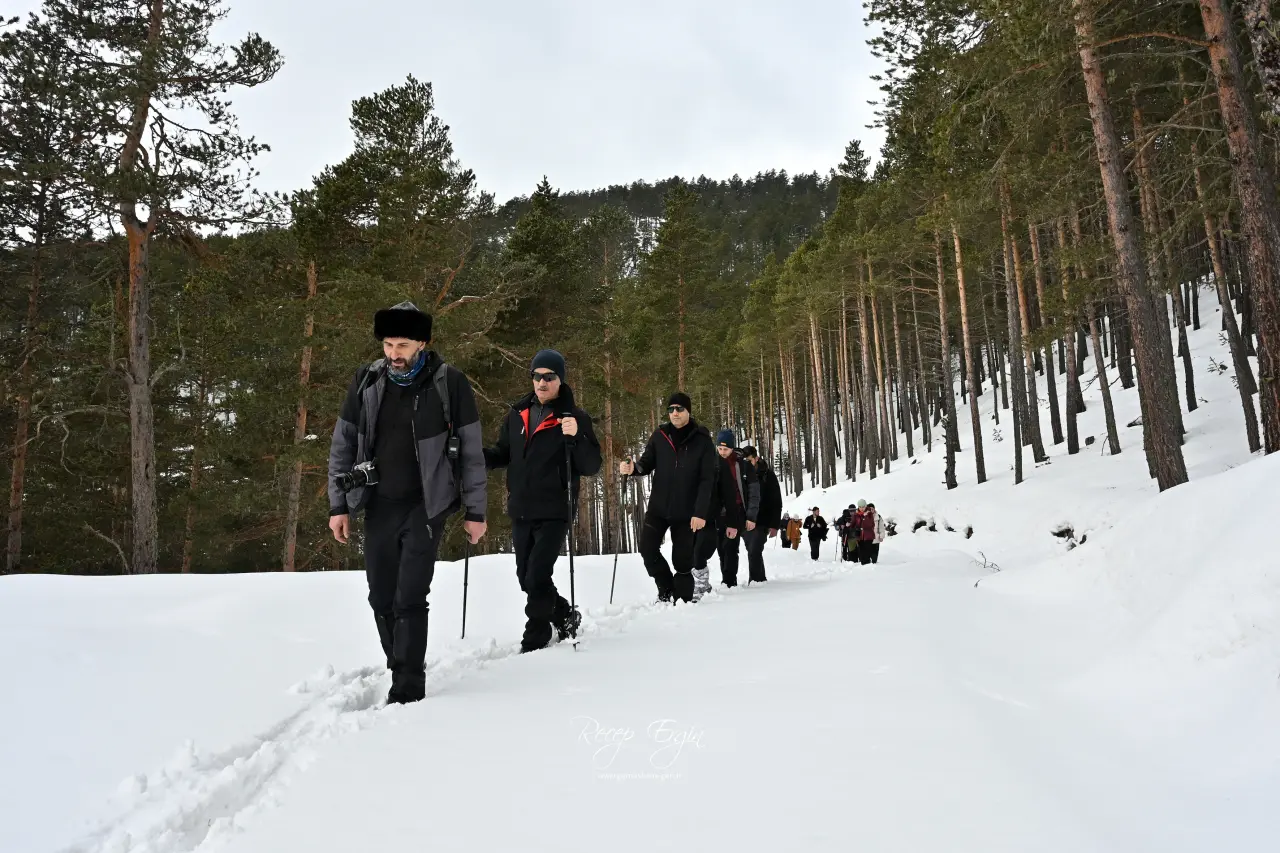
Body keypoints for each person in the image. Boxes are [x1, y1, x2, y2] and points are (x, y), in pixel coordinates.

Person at [327, 301, 487, 705]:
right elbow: (342, 444)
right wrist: (338, 505)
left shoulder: (449, 383)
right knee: (380, 596)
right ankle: (400, 663)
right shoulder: (366, 381)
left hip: (426, 506)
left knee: (410, 596)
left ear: (422, 343)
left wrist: (475, 511)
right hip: (379, 502)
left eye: (402, 345)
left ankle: (409, 686)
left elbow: (471, 452)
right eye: (388, 345)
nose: (394, 354)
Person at [484, 350, 601, 652]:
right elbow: (503, 452)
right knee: (526, 577)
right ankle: (563, 614)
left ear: (560, 380)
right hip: (522, 507)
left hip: (555, 509)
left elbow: (591, 466)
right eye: (537, 375)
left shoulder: (575, 418)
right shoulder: (517, 413)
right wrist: (478, 458)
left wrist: (576, 438)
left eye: (549, 376)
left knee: (538, 573)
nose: (542, 382)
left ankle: (535, 636)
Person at [619, 393, 717, 603]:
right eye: (671, 409)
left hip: (687, 513)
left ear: (688, 411)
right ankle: (665, 589)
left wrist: (700, 513)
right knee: (647, 549)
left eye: (679, 409)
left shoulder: (702, 441)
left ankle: (681, 602)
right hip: (659, 508)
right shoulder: (660, 436)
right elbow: (646, 463)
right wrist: (633, 468)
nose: (674, 413)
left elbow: (707, 480)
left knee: (682, 561)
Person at [692, 430, 760, 593]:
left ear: (732, 448)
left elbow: (754, 492)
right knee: (709, 547)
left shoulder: (743, 466)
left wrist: (751, 516)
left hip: (735, 513)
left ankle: (729, 582)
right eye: (720, 449)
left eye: (726, 449)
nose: (722, 452)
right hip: (714, 514)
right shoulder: (710, 463)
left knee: (729, 548)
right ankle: (704, 581)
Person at [741, 445, 782, 583]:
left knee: (754, 548)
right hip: (745, 519)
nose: (747, 464)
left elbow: (776, 501)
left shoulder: (767, 475)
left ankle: (756, 580)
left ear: (756, 458)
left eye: (749, 461)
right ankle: (760, 578)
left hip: (763, 519)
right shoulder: (741, 474)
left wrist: (775, 525)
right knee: (752, 550)